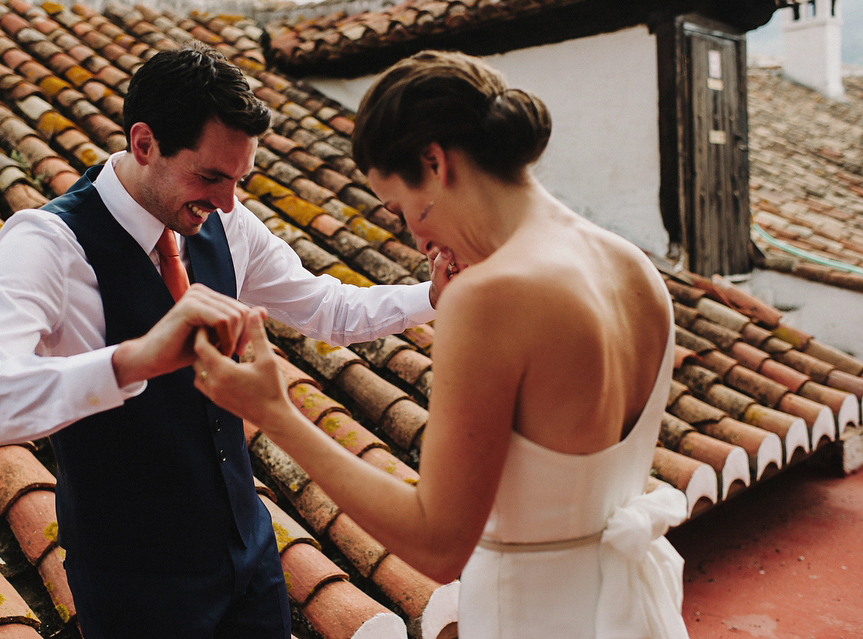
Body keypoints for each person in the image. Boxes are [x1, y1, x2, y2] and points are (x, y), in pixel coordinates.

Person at [0, 43, 444, 639]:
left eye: (238, 179)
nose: (226, 202)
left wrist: (431, 297)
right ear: (144, 143)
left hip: (251, 566)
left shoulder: (226, 219)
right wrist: (133, 359)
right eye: (211, 176)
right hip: (135, 592)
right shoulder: (48, 245)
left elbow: (327, 307)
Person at [192, 50, 691, 638]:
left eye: (400, 208)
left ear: (435, 162)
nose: (415, 234)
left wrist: (277, 415)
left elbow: (438, 544)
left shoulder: (490, 298)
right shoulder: (633, 268)